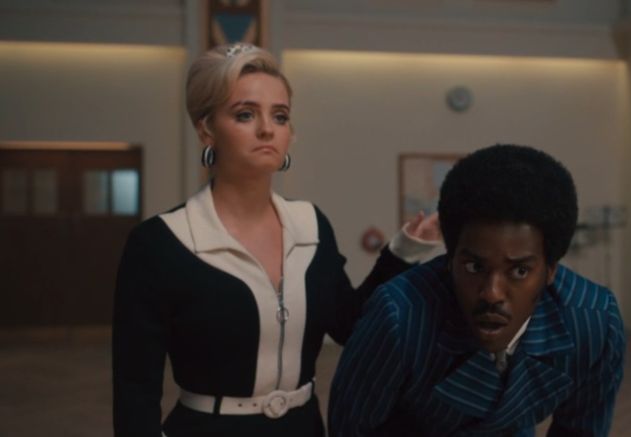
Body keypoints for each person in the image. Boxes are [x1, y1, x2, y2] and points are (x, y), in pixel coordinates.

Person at [112, 43, 440, 437]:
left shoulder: (311, 226)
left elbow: (350, 325)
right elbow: (134, 388)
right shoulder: (161, 243)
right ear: (206, 129)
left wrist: (405, 250)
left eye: (280, 116)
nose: (267, 129)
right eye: (245, 114)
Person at [329, 144, 626, 436]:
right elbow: (352, 428)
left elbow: (582, 429)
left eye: (520, 271)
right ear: (450, 260)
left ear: (551, 270)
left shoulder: (592, 321)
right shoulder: (399, 315)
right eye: (474, 267)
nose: (492, 294)